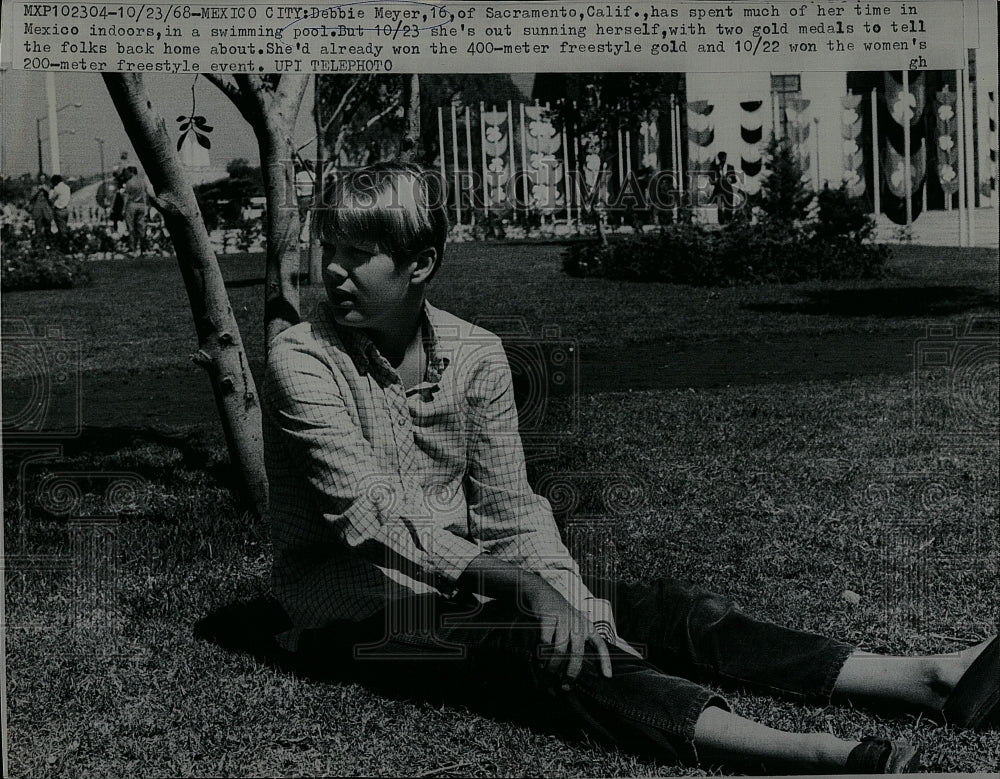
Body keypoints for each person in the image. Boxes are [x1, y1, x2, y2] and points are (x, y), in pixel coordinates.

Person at [262, 161, 998, 775]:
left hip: (470, 583)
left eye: (358, 253)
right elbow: (371, 514)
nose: (333, 269)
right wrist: (527, 591)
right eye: (331, 246)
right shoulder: (300, 356)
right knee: (534, 646)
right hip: (355, 610)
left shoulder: (477, 352)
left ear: (420, 263)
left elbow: (512, 511)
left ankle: (924, 675)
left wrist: (568, 594)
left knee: (651, 607)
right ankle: (802, 752)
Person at [121, 166, 150, 257]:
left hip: (132, 205)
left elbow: (126, 196)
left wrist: (123, 209)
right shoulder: (142, 182)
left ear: (131, 172)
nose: (126, 174)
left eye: (128, 172)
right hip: (141, 205)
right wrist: (146, 207)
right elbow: (146, 194)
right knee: (141, 227)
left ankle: (133, 248)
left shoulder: (129, 183)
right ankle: (142, 248)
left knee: (131, 227)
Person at [27, 175, 54, 242]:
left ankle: (49, 242)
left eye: (43, 178)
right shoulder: (35, 187)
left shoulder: (48, 187)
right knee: (38, 227)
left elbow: (51, 197)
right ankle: (39, 243)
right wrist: (37, 190)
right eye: (41, 178)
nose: (42, 180)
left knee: (48, 226)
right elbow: (31, 197)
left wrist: (46, 190)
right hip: (38, 209)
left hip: (46, 209)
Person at [48, 174, 71, 244]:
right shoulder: (67, 187)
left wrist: (51, 190)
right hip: (65, 210)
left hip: (59, 210)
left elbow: (51, 199)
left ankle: (65, 245)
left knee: (61, 230)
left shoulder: (57, 188)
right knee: (64, 227)